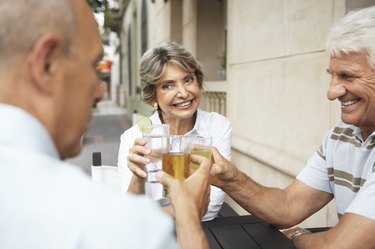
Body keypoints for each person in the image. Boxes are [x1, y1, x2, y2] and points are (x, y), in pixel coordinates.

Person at [0, 0, 211, 248]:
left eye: (188, 80)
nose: (100, 93)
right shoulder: (112, 224)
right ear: (47, 64)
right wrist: (186, 209)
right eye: (93, 66)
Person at [210, 6, 375, 249]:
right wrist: (228, 178)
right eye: (333, 75)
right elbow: (289, 206)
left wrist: (299, 238)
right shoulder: (341, 134)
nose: (332, 92)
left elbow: (340, 246)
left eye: (348, 76)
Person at [118, 41, 232, 221]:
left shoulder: (217, 126)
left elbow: (212, 206)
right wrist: (138, 175)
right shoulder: (133, 137)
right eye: (168, 85)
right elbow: (130, 212)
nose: (184, 93)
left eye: (188, 80)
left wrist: (150, 214)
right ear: (153, 95)